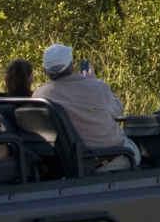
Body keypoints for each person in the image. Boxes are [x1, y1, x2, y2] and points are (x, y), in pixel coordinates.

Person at [35, 44, 139, 172]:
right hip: (110, 157)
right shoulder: (96, 87)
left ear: (45, 70)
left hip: (69, 160)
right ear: (72, 65)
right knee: (134, 147)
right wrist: (93, 81)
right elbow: (118, 111)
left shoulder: (40, 95)